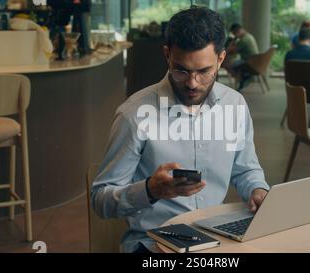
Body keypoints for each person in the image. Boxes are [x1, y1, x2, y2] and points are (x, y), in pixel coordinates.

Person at [91, 7, 270, 253]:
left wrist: (258, 189)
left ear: (221, 59)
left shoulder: (235, 104)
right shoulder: (134, 114)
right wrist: (149, 191)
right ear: (167, 55)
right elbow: (100, 200)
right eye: (181, 70)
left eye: (204, 72)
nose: (192, 83)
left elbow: (246, 169)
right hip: (152, 243)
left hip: (215, 239)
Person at [222, 23, 259, 90]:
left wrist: (233, 40)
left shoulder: (244, 40)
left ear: (237, 31)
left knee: (227, 65)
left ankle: (242, 78)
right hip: (254, 61)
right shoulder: (248, 36)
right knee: (233, 63)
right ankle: (243, 77)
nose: (234, 35)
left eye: (234, 33)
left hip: (249, 62)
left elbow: (231, 51)